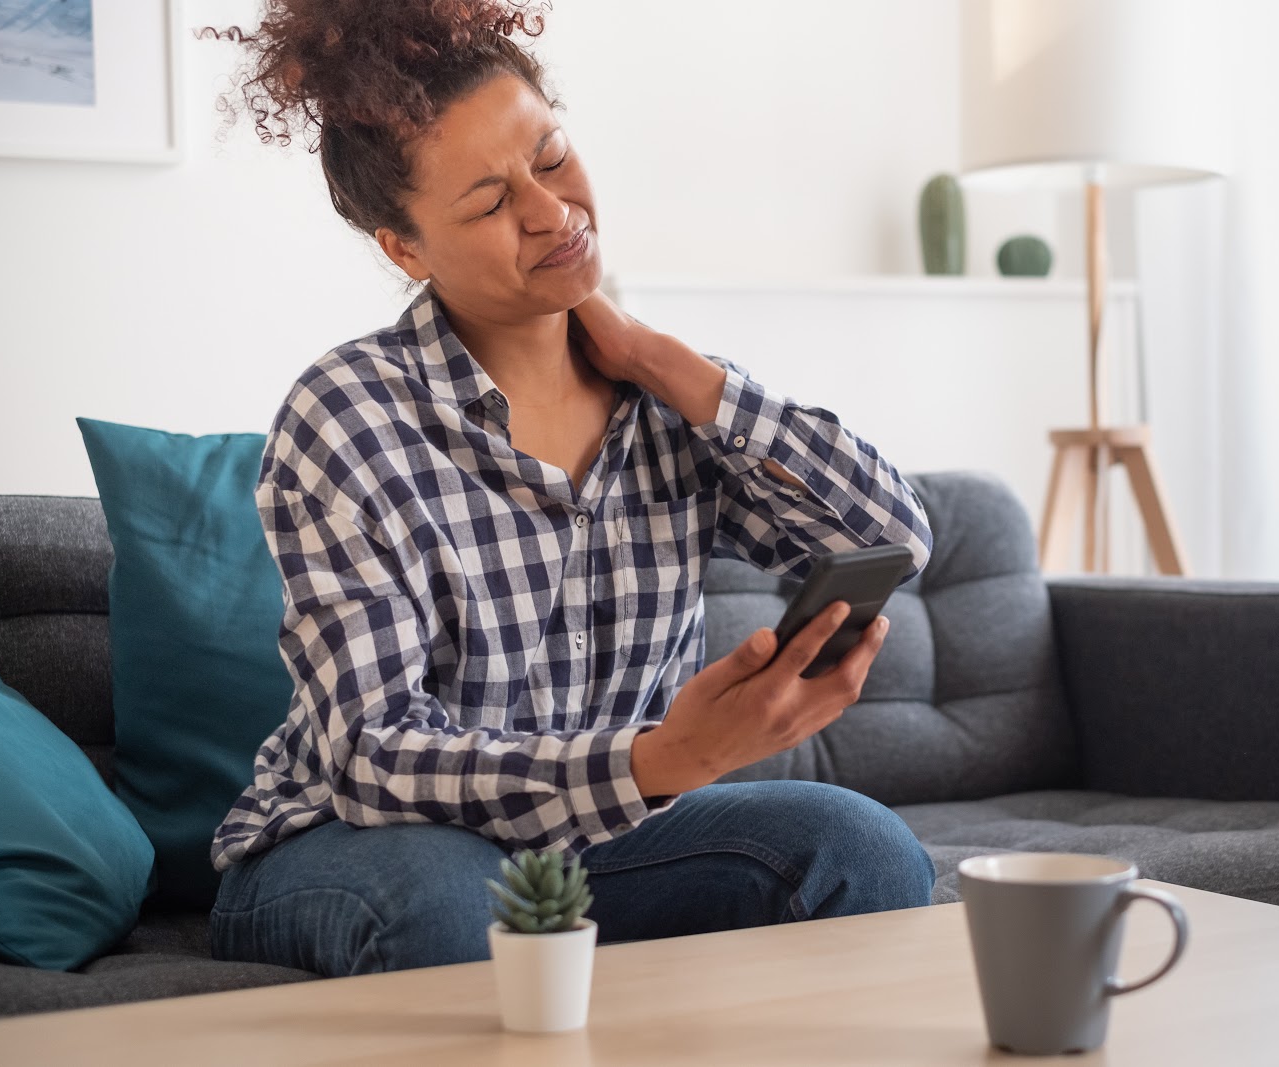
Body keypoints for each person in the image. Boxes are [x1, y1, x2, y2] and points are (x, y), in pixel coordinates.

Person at [200, 0, 936, 978]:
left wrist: (688, 375)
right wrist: (660, 761)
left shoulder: (670, 399)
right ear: (406, 249)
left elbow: (894, 536)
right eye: (487, 202)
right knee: (459, 902)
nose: (550, 211)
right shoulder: (346, 416)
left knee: (863, 849)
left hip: (601, 842)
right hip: (353, 845)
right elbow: (373, 756)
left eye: (549, 158)